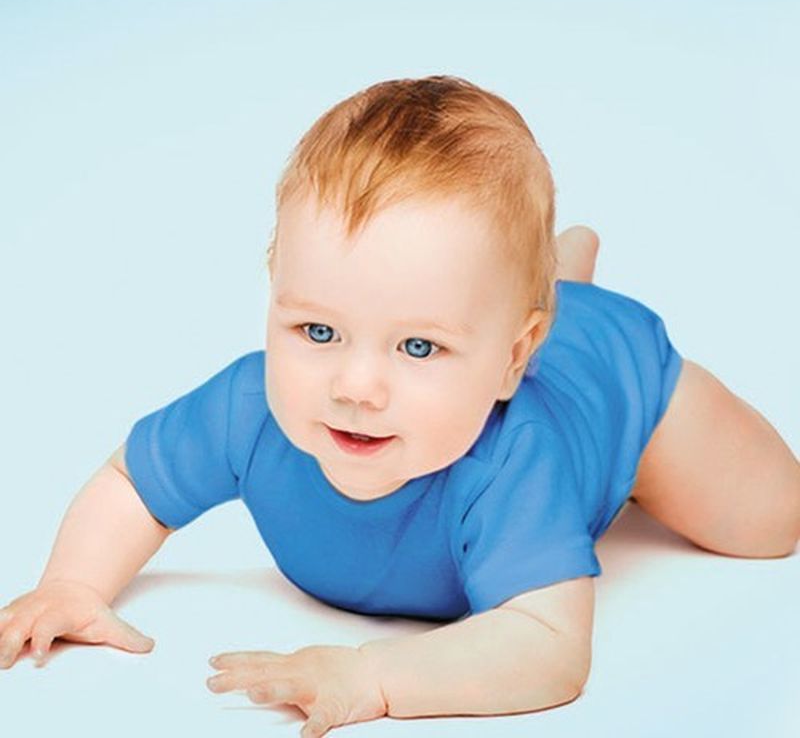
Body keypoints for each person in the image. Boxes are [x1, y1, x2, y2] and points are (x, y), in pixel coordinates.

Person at [1, 76, 797, 738]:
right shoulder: (249, 406)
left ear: (512, 359)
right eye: (319, 330)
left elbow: (549, 647)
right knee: (478, 299)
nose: (356, 386)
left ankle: (566, 294)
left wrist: (374, 677)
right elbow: (133, 483)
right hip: (519, 329)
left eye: (418, 346)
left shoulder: (512, 461)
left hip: (618, 377)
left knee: (773, 523)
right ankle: (550, 278)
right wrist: (72, 583)